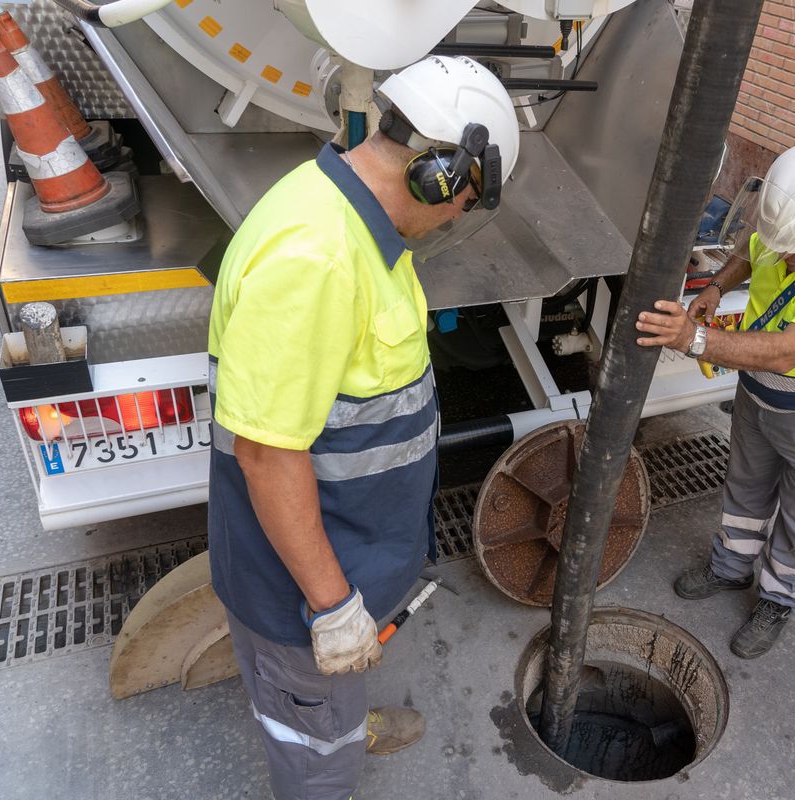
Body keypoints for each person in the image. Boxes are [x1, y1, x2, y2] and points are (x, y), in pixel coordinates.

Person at [205, 55, 519, 800]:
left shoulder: (348, 217)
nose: (455, 219)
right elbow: (266, 453)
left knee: (323, 708)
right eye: (463, 201)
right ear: (441, 176)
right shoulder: (315, 257)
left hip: (342, 549)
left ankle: (337, 721)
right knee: (312, 751)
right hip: (301, 589)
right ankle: (325, 748)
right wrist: (334, 607)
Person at [635, 142, 795, 659]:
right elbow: (752, 249)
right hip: (757, 397)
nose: (783, 257)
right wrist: (715, 285)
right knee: (746, 485)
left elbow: (784, 352)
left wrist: (694, 339)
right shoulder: (792, 234)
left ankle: (779, 597)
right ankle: (730, 567)